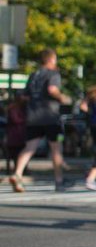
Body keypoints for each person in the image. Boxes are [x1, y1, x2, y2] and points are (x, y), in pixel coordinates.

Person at [9, 48, 74, 192]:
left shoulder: (33, 75)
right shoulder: (53, 74)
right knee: (56, 149)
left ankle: (17, 173)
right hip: (50, 116)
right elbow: (52, 89)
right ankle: (59, 181)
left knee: (29, 147)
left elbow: (23, 96)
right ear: (51, 59)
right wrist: (63, 98)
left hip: (33, 116)